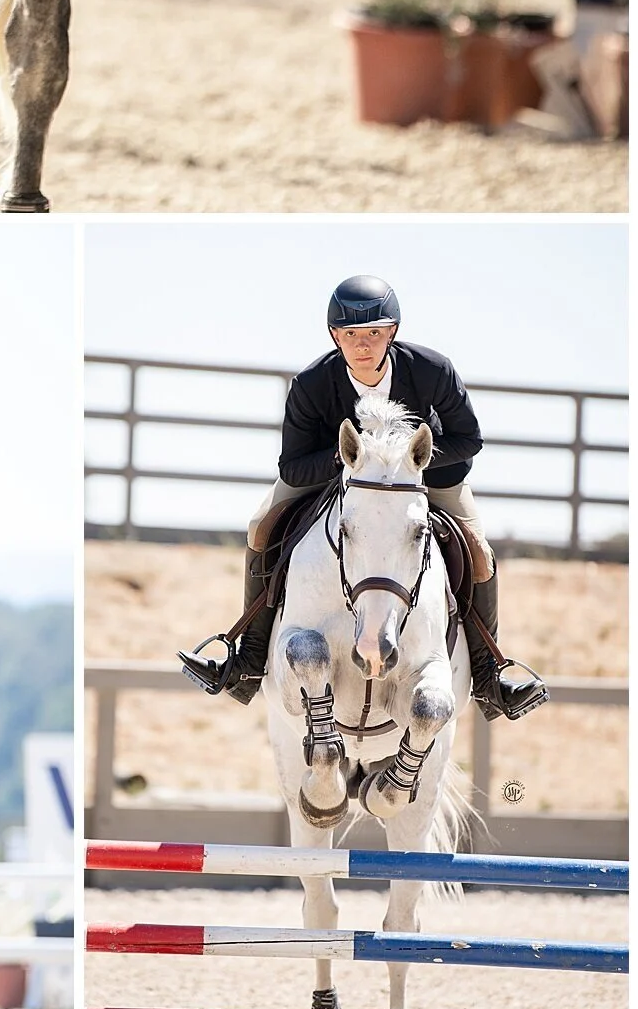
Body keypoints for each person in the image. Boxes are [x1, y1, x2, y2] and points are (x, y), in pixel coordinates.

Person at [179, 275, 547, 719]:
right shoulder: (312, 384)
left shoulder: (433, 370)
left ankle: (490, 677)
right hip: (333, 474)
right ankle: (248, 658)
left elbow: (469, 438)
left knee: (480, 551)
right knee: (261, 527)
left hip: (422, 474)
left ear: (392, 332)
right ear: (335, 335)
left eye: (374, 333)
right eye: (350, 335)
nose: (363, 345)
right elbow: (292, 467)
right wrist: (347, 459)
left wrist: (406, 457)